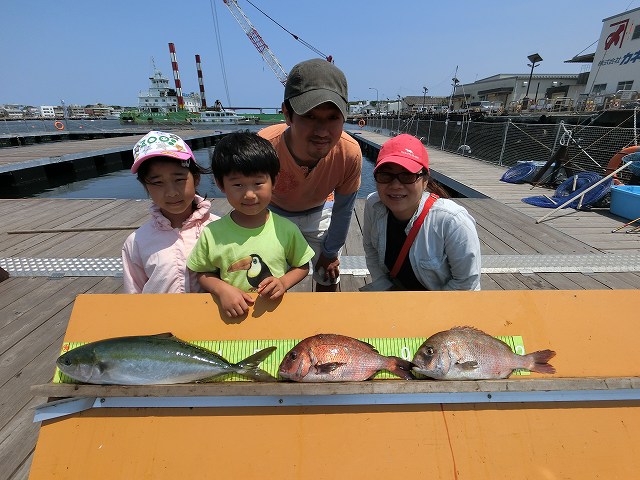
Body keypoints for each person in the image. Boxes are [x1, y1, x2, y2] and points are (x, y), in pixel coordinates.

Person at [259, 58, 362, 292]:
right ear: (287, 113)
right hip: (272, 213)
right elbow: (247, 198)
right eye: (310, 116)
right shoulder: (264, 145)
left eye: (333, 117)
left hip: (318, 211)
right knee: (264, 276)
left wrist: (331, 252)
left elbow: (344, 210)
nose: (322, 131)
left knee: (328, 273)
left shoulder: (349, 152)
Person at [187, 132, 315, 318]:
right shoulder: (212, 233)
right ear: (221, 185)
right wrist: (222, 290)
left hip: (275, 313)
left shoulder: (286, 229)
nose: (249, 194)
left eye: (257, 183)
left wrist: (283, 282)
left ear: (274, 181)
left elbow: (302, 266)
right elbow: (201, 272)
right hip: (230, 317)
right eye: (238, 185)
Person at [362, 134, 481, 291]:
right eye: (386, 175)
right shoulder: (373, 205)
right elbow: (371, 250)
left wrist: (425, 311)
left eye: (407, 175)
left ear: (425, 181)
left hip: (442, 306)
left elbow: (466, 283)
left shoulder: (453, 221)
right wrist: (386, 290)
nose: (396, 185)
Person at [122, 130, 218, 293]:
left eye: (179, 179)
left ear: (196, 178)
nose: (171, 192)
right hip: (157, 319)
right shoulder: (136, 242)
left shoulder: (218, 228)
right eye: (157, 182)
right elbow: (134, 295)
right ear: (145, 186)